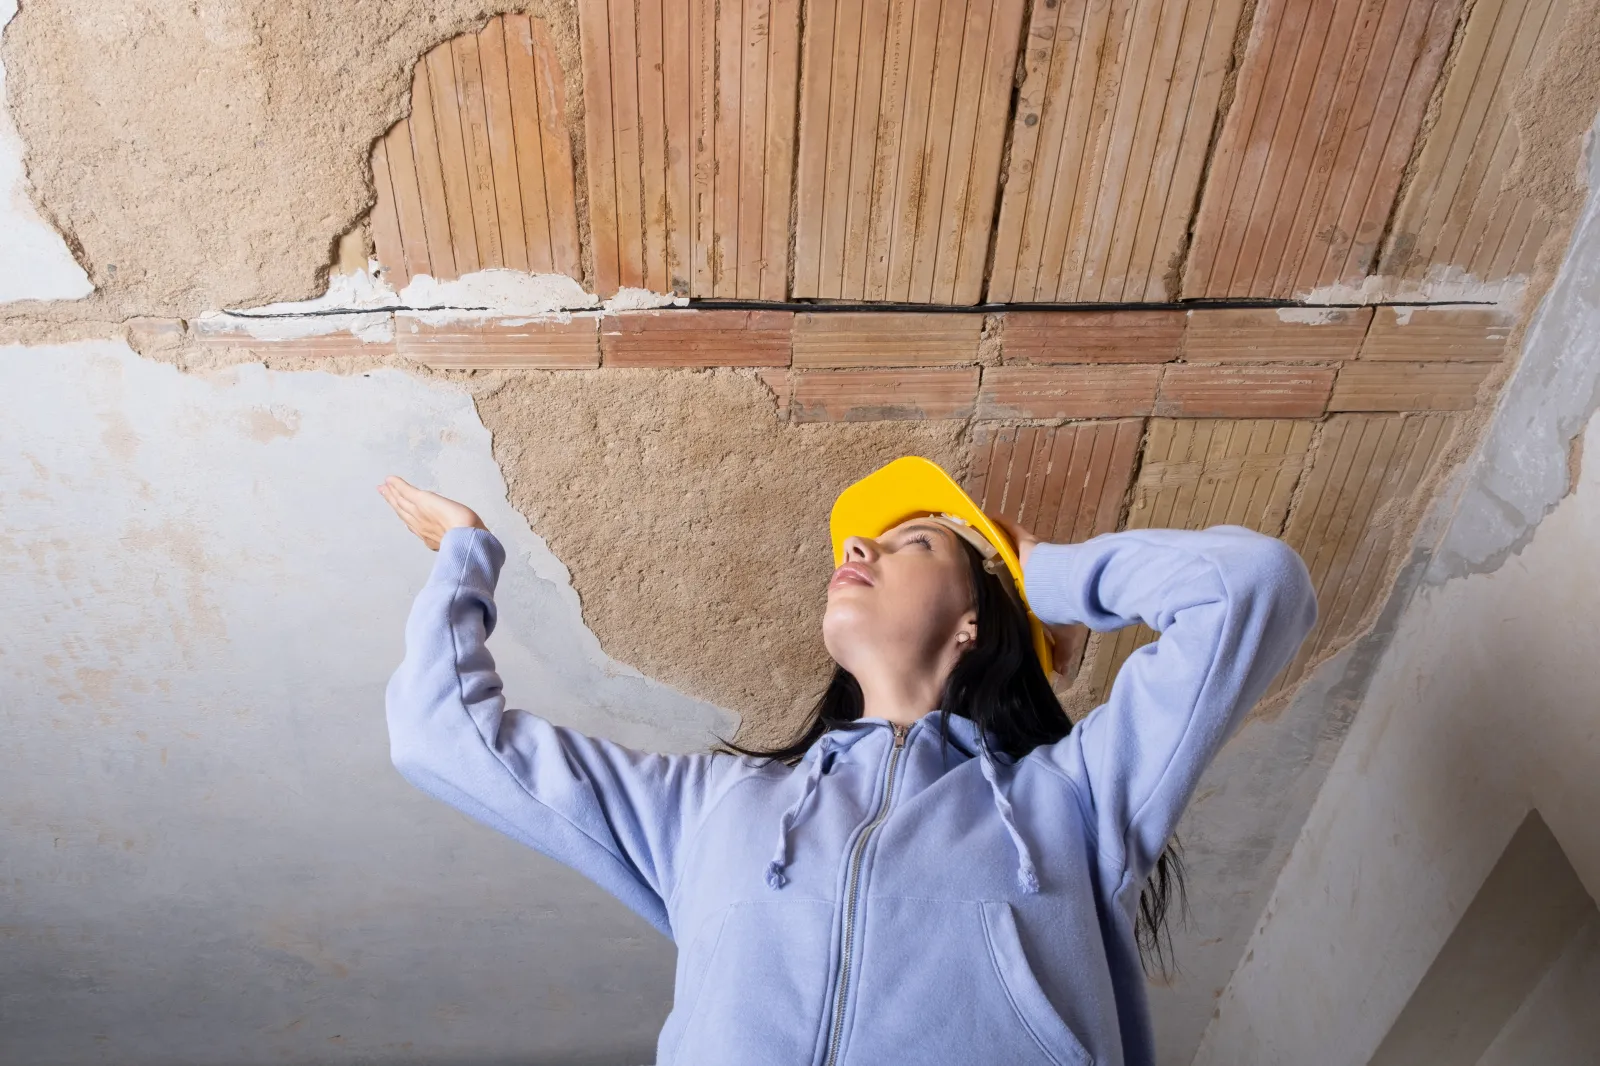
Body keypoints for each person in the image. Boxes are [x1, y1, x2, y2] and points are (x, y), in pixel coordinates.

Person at [379, 456, 1317, 1066]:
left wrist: (1046, 577)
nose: (861, 546)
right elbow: (440, 732)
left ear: (974, 620)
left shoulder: (1070, 804)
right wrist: (464, 557)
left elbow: (1252, 589)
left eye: (916, 543)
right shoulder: (712, 805)